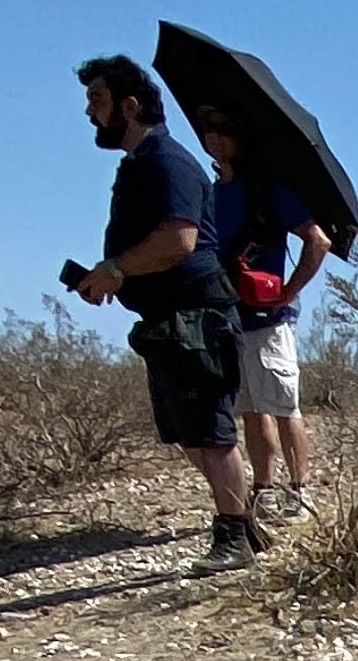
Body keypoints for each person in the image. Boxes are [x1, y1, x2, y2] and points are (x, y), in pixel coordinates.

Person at [67, 56, 261, 575]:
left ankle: (234, 537)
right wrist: (114, 275)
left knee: (212, 431)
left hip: (196, 315)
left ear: (130, 106)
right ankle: (240, 521)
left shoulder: (167, 161)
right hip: (167, 317)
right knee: (189, 431)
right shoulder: (139, 164)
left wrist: (116, 268)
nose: (90, 112)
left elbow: (180, 240)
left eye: (98, 101)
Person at [201, 116, 329, 522]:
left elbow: (317, 240)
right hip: (229, 315)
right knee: (252, 409)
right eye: (208, 129)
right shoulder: (208, 195)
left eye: (222, 128)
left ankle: (300, 492)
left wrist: (289, 292)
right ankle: (264, 490)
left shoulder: (268, 189)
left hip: (270, 317)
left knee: (284, 406)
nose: (213, 137)